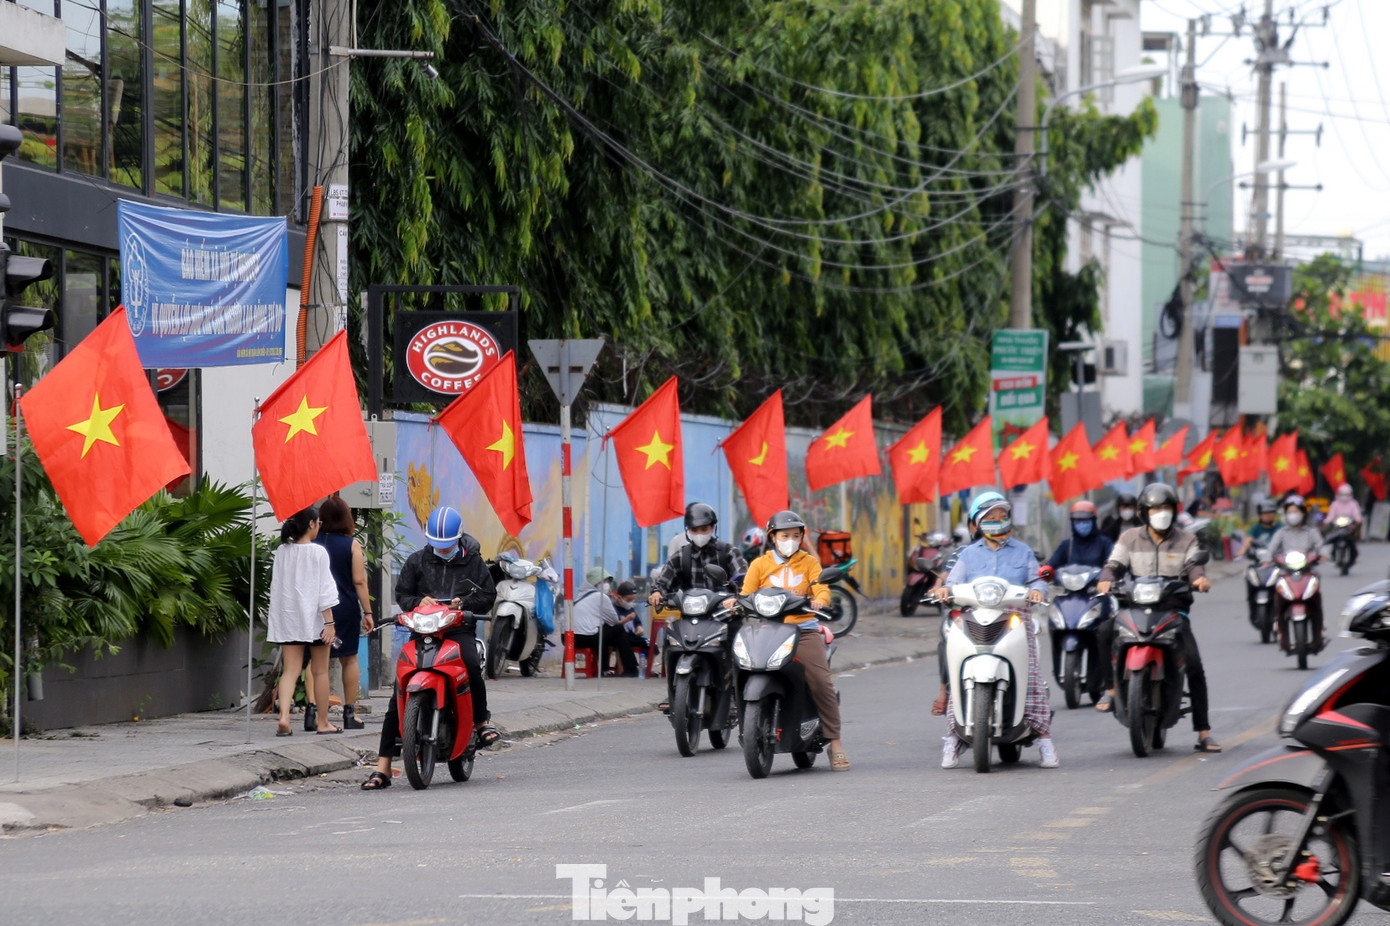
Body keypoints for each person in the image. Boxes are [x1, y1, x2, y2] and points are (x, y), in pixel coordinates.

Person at [361, 506, 499, 790]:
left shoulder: (474, 562)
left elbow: (487, 597)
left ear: (459, 540)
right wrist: (418, 602)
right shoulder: (417, 561)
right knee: (398, 692)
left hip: (458, 630)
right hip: (424, 631)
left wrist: (463, 604)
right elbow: (403, 595)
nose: (442, 550)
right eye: (437, 546)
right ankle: (383, 768)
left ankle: (480, 723)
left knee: (471, 664)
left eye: (447, 546)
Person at [932, 491, 1058, 769]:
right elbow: (952, 583)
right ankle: (953, 738)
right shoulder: (968, 554)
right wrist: (944, 590)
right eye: (989, 517)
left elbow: (1037, 580)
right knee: (959, 673)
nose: (997, 521)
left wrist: (1037, 591)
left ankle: (1045, 741)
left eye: (1002, 516)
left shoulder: (1023, 551)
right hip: (974, 616)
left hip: (1014, 616)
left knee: (1031, 675)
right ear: (977, 522)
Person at [1095, 483, 1221, 752]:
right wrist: (1106, 579)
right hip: (1135, 607)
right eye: (1155, 508)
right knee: (1105, 631)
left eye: (1166, 508)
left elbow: (1193, 564)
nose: (1161, 513)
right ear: (1144, 512)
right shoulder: (1129, 538)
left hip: (1172, 611)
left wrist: (1199, 578)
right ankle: (1112, 688)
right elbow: (1114, 564)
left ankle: (1203, 732)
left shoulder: (1186, 539)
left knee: (1195, 666)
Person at [742, 509, 848, 771]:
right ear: (772, 537)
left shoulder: (810, 563)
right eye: (784, 535)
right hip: (766, 631)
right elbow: (747, 593)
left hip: (804, 630)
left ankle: (835, 743)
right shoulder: (759, 564)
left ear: (801, 538)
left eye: (795, 535)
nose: (790, 539)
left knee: (820, 681)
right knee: (740, 665)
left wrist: (820, 600)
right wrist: (737, 601)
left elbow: (820, 587)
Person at [649, 502, 747, 710]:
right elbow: (665, 580)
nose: (700, 533)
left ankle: (734, 695)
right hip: (693, 618)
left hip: (724, 616)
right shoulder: (681, 556)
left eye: (704, 529)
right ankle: (674, 692)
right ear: (688, 531)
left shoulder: (728, 552)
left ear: (713, 528)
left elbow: (742, 576)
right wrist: (657, 592)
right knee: (671, 642)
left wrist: (737, 594)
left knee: (737, 649)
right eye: (695, 530)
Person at [266, 506, 341, 736]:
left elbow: (277, 587)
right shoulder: (318, 552)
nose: (319, 527)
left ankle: (284, 717)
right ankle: (322, 722)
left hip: (289, 617)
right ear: (311, 524)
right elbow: (324, 590)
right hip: (315, 620)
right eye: (318, 523)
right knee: (319, 671)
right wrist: (329, 623)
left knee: (290, 670)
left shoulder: (282, 552)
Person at [305, 496, 374, 731]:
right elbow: (359, 581)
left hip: (315, 608)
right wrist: (368, 611)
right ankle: (349, 714)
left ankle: (311, 711)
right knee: (349, 658)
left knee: (315, 661)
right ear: (347, 518)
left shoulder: (312, 543)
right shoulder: (351, 545)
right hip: (343, 607)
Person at [1045, 500, 1114, 680]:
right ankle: (1057, 666)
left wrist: (1108, 576)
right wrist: (1045, 570)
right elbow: (1052, 564)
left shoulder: (1104, 543)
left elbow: (1113, 564)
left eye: (1086, 520)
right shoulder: (1067, 545)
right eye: (1077, 521)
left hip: (1097, 597)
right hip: (1071, 597)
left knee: (1106, 628)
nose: (1081, 524)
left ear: (1093, 521)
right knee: (1053, 623)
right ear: (1072, 522)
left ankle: (1105, 671)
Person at [1267, 495, 1328, 652]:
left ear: (1303, 513)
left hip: (1307, 572)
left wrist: (1323, 554)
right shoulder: (1281, 533)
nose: (1293, 514)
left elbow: (1321, 546)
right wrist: (1267, 559)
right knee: (1278, 595)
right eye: (1290, 511)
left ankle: (1320, 627)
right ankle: (1277, 623)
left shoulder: (1311, 532)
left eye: (1296, 511)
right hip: (1286, 573)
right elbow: (1271, 549)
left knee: (1316, 595)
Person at [574, 567, 638, 677]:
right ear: (597, 583)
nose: (608, 584)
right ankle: (631, 668)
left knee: (602, 633)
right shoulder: (601, 597)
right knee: (618, 629)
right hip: (584, 637)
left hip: (568, 638)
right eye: (606, 582)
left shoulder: (580, 595)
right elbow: (614, 621)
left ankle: (604, 670)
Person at [1325, 483, 1364, 566]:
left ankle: (1354, 555)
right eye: (1342, 494)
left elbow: (1357, 514)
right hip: (1338, 527)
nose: (1344, 496)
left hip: (1349, 527)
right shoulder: (1335, 504)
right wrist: (1327, 520)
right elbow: (1331, 515)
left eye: (1346, 494)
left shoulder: (1353, 504)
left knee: (1352, 541)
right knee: (1332, 538)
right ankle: (1333, 554)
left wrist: (1358, 519)